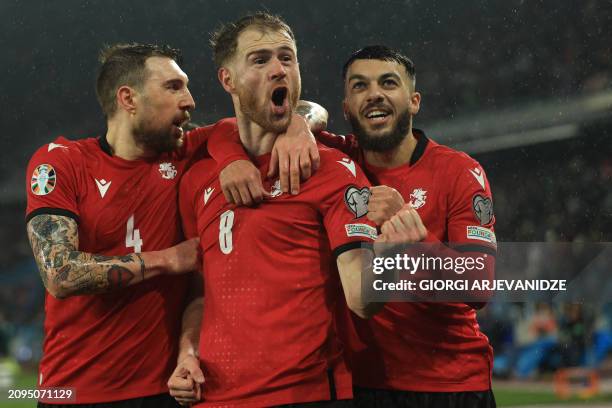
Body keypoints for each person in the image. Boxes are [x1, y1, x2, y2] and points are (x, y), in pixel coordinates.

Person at [26, 42, 317, 407]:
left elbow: (284, 112)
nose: (190, 101)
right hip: (70, 392)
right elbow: (60, 274)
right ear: (128, 99)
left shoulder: (188, 152)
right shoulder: (62, 162)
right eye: (173, 87)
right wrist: (169, 259)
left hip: (166, 392)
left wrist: (299, 127)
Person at [217, 45, 498, 408]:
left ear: (413, 101)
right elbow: (228, 129)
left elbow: (479, 286)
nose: (375, 94)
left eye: (388, 83)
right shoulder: (336, 162)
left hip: (449, 383)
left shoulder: (459, 172)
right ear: (346, 108)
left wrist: (414, 237)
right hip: (360, 384)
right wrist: (297, 125)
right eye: (360, 86)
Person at [168, 13, 418, 408]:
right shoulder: (198, 175)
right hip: (213, 398)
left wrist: (391, 258)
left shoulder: (333, 170)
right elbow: (200, 294)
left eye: (287, 57)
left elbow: (361, 299)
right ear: (227, 80)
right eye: (260, 59)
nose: (278, 69)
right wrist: (187, 354)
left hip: (306, 395)